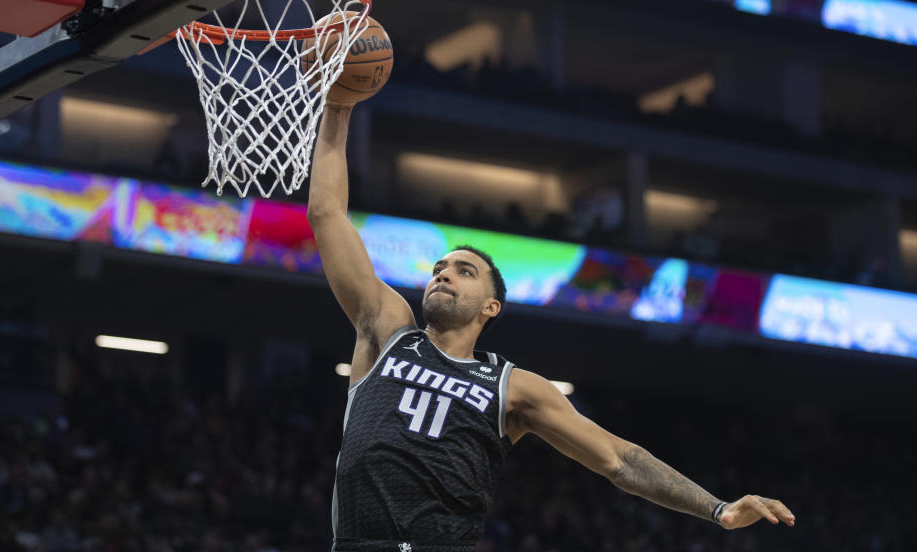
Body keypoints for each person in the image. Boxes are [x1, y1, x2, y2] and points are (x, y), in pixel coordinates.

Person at [307, 103, 795, 552]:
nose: (443, 273)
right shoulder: (389, 331)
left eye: (463, 270)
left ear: (490, 308)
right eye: (439, 267)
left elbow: (619, 459)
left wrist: (719, 509)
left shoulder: (512, 386)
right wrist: (339, 106)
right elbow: (327, 215)